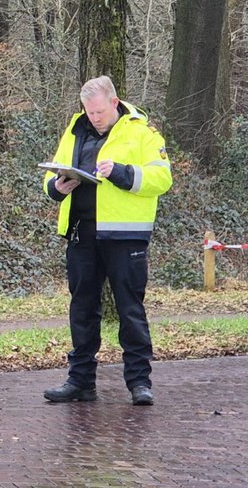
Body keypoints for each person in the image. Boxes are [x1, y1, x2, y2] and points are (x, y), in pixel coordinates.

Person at [41, 75, 172, 406]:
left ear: (114, 103)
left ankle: (140, 382)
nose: (93, 118)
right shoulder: (75, 130)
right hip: (81, 232)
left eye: (99, 111)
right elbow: (51, 173)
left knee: (130, 309)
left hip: (125, 236)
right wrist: (55, 188)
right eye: (88, 112)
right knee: (82, 308)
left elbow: (162, 177)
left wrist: (121, 173)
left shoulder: (142, 131)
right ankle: (80, 381)